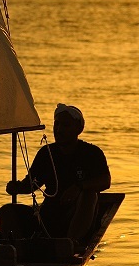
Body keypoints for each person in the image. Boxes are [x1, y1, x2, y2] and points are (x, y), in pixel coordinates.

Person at [6, 103, 111, 244]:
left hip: (77, 217)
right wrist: (16, 187)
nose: (59, 130)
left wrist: (79, 187)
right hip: (50, 215)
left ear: (79, 129)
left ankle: (70, 243)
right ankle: (16, 248)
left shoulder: (91, 153)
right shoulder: (46, 153)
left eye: (65, 126)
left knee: (89, 195)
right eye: (57, 125)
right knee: (7, 211)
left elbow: (105, 181)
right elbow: (31, 185)